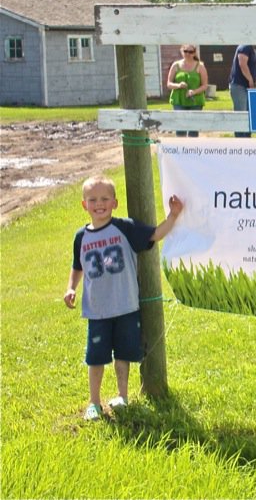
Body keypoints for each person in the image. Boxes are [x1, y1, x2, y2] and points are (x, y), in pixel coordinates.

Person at [64, 175, 184, 421]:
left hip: (126, 306)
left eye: (105, 199)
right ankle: (94, 402)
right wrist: (71, 288)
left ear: (115, 203)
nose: (99, 204)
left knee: (123, 354)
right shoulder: (81, 237)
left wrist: (173, 216)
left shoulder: (125, 228)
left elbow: (155, 235)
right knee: (95, 357)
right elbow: (77, 266)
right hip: (97, 310)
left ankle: (122, 395)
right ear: (84, 205)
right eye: (93, 200)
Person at [166, 44, 208, 137]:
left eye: (190, 52)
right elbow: (169, 84)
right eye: (185, 51)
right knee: (180, 128)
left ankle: (192, 146)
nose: (188, 54)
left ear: (194, 53)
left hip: (195, 101)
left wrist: (194, 92)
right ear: (182, 52)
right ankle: (180, 145)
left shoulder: (200, 66)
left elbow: (205, 85)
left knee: (193, 129)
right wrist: (178, 85)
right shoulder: (176, 65)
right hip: (179, 100)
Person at [229, 44, 256, 138]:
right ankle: (240, 141)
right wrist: (250, 80)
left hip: (248, 88)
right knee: (241, 115)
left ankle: (247, 140)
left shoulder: (254, 50)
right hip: (239, 86)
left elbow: (254, 72)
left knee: (249, 115)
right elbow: (242, 64)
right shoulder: (245, 47)